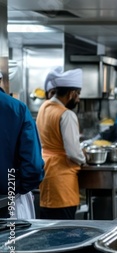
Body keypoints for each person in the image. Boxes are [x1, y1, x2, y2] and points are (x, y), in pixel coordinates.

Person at [36, 68, 86, 220]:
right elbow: (73, 152)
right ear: (72, 93)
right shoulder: (66, 114)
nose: (77, 100)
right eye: (77, 95)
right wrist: (84, 158)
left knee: (50, 228)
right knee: (64, 231)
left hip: (46, 172)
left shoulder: (43, 108)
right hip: (62, 180)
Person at [0, 72, 45, 219]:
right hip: (9, 202)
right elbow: (33, 166)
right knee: (11, 241)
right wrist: (17, 188)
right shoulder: (17, 109)